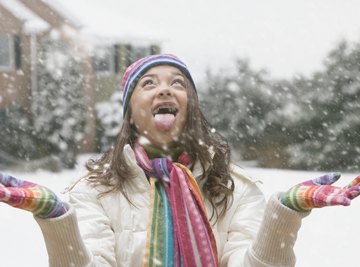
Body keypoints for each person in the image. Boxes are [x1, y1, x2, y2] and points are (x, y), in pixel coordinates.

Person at [1, 54, 360, 267]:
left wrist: (285, 213)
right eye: (148, 84)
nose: (165, 89)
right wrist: (53, 217)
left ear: (191, 107)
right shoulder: (96, 191)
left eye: (177, 83)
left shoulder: (232, 189)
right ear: (129, 115)